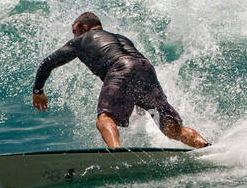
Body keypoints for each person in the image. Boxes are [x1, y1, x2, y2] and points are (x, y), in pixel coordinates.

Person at [31, 12, 209, 149]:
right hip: (145, 67)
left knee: (104, 117)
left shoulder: (82, 40)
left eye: (74, 31)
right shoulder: (121, 38)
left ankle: (116, 152)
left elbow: (48, 63)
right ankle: (204, 146)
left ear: (83, 27)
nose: (74, 35)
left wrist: (38, 90)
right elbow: (135, 71)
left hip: (120, 67)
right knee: (173, 130)